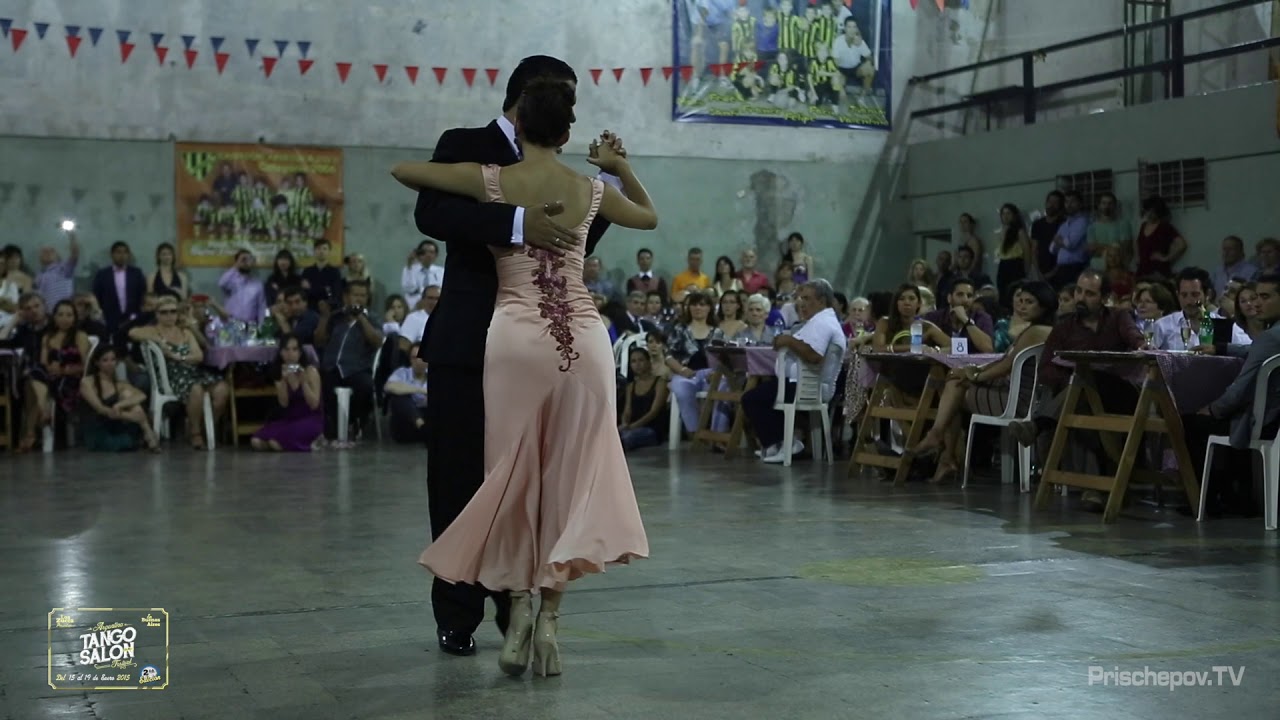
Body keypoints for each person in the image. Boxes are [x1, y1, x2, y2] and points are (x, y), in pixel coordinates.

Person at [396, 78, 655, 677]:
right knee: (571, 475)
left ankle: (514, 616)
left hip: (511, 341)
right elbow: (647, 216)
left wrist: (505, 206)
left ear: (518, 115)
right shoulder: (588, 188)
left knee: (509, 479)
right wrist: (618, 166)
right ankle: (550, 623)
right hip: (583, 340)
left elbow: (405, 173)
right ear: (567, 133)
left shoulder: (494, 178)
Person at [740, 280, 847, 463]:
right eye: (800, 298)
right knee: (760, 395)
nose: (801, 303)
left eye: (806, 298)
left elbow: (814, 356)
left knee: (752, 399)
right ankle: (777, 445)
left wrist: (788, 341)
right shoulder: (818, 321)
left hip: (807, 387)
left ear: (821, 301)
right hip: (799, 383)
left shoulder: (824, 323)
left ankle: (785, 443)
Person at [79, 344, 160, 451]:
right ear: (97, 362)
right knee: (127, 440)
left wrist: (119, 405)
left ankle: (147, 433)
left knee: (127, 394)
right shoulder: (87, 382)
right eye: (105, 360)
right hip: (99, 427)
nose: (110, 364)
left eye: (113, 360)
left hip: (116, 424)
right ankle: (149, 435)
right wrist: (131, 416)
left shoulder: (119, 384)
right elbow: (100, 409)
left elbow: (142, 395)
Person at [250, 334, 323, 452]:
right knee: (256, 441)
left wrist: (304, 382)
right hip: (290, 419)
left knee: (275, 443)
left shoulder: (311, 371)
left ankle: (310, 441)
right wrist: (283, 381)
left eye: (294, 349)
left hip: (310, 419)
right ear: (281, 353)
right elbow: (284, 403)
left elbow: (314, 404)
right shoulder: (280, 373)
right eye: (286, 349)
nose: (290, 354)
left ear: (300, 352)